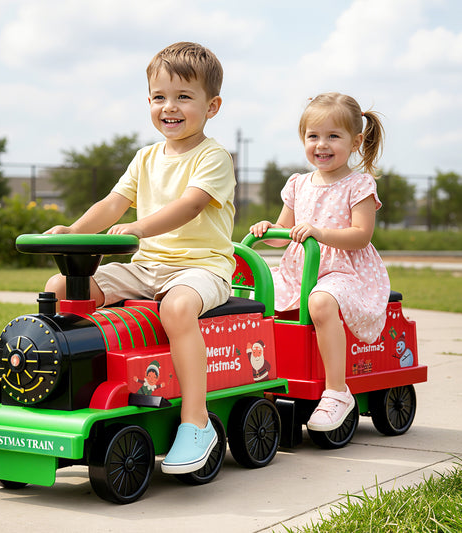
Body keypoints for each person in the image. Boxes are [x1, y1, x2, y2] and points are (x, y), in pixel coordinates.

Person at [44, 42, 235, 473]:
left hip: (201, 267)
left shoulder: (213, 156)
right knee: (60, 288)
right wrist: (74, 232)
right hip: (146, 268)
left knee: (178, 307)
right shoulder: (145, 157)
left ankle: (196, 420)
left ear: (212, 105)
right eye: (159, 97)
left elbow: (189, 205)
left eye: (184, 96)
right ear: (148, 101)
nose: (170, 106)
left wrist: (138, 228)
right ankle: (71, 389)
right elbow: (113, 204)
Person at [250, 92, 390, 432]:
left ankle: (337, 391)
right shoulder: (298, 184)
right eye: (313, 136)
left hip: (344, 270)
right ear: (303, 139)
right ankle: (263, 378)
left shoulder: (359, 184)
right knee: (257, 299)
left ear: (356, 141)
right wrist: (268, 229)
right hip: (300, 270)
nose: (321, 145)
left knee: (322, 303)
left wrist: (319, 232)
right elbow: (282, 230)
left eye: (333, 136)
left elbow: (361, 235)